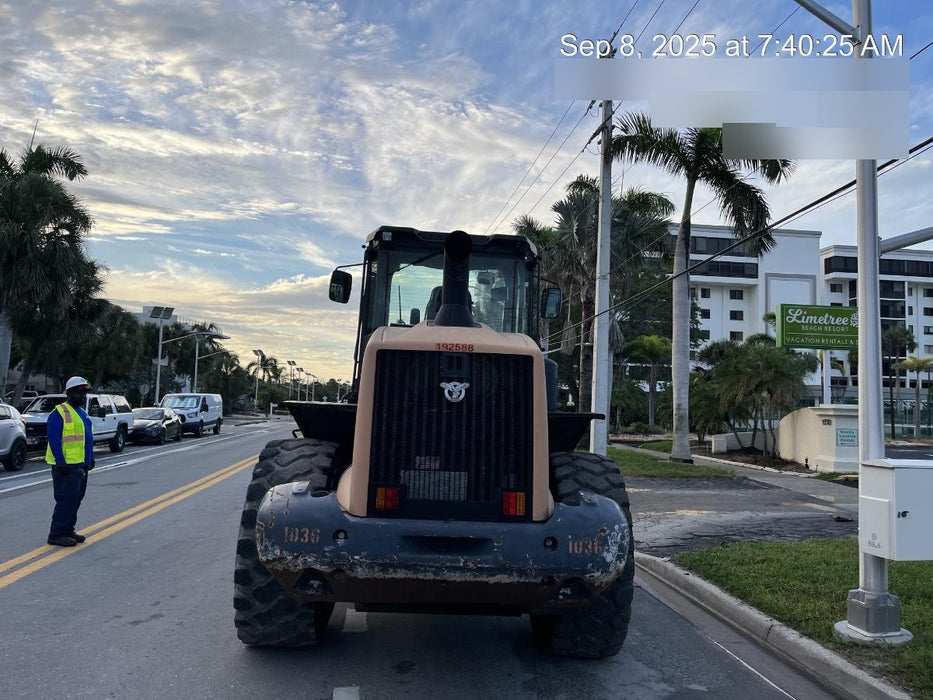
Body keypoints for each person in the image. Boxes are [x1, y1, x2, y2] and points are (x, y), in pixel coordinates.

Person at [46, 376, 95, 547]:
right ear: (69, 393)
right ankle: (57, 534)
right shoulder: (59, 413)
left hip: (80, 464)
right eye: (80, 393)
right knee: (66, 499)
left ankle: (68, 529)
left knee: (76, 498)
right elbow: (53, 438)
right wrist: (60, 461)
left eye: (85, 393)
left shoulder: (81, 413)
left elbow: (86, 440)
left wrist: (90, 459)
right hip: (65, 465)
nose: (84, 396)